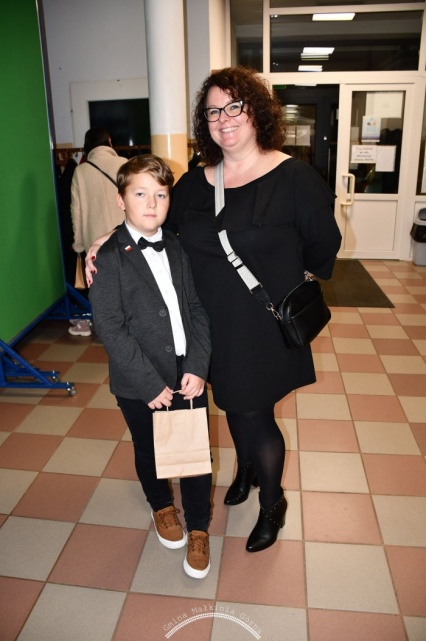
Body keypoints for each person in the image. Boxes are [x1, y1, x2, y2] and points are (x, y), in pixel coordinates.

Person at [87, 66, 342, 553]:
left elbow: (323, 248)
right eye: (213, 111)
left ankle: (273, 502)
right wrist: (107, 238)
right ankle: (245, 470)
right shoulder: (194, 184)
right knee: (230, 406)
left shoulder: (293, 177)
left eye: (234, 107)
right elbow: (154, 225)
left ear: (256, 112)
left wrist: (283, 270)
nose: (224, 119)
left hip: (259, 327)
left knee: (253, 413)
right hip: (205, 325)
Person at [88, 154, 212, 579]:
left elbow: (196, 309)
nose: (152, 203)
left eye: (160, 195)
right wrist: (148, 383)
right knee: (149, 448)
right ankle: (161, 506)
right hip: (138, 380)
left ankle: (199, 528)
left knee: (194, 453)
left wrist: (198, 364)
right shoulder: (107, 258)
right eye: (140, 194)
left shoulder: (176, 245)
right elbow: (110, 327)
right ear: (120, 199)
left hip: (186, 372)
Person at [69, 127, 127, 336]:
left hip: (95, 243)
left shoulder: (81, 172)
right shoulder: (124, 164)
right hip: (125, 236)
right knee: (127, 285)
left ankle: (108, 331)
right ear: (109, 141)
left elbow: (76, 211)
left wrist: (78, 245)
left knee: (103, 290)